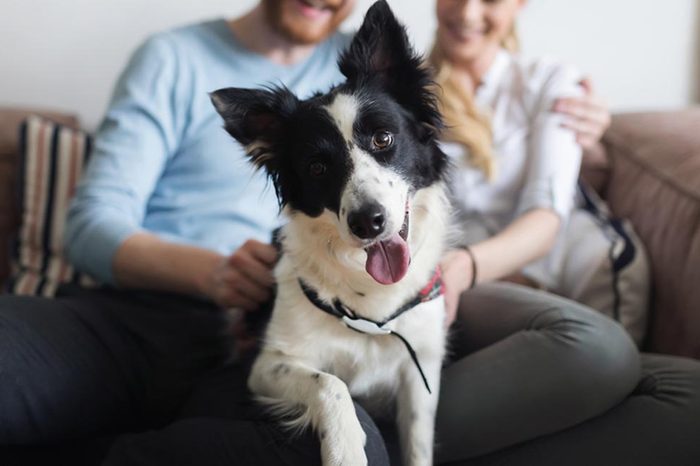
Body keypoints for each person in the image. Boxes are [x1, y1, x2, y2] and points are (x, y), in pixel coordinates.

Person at [0, 1, 696, 466]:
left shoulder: (365, 69)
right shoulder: (175, 57)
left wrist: (589, 129)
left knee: (679, 398)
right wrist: (209, 272)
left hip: (318, 329)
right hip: (143, 316)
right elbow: (88, 224)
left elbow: (449, 98)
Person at [428, 0, 700, 465]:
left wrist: (468, 266)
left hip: (485, 275)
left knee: (691, 391)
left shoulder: (547, 82)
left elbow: (546, 218)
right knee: (598, 352)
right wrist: (458, 271)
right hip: (456, 291)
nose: (468, 12)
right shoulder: (398, 88)